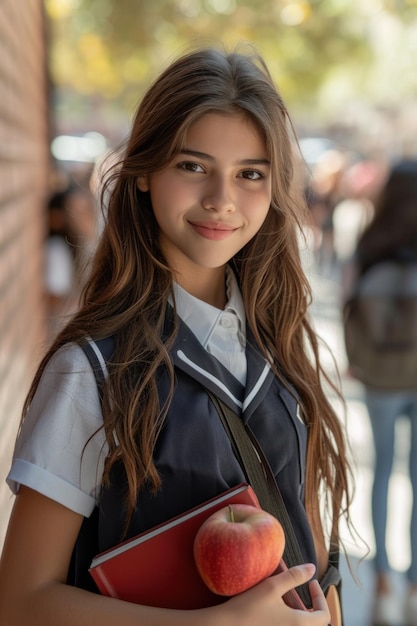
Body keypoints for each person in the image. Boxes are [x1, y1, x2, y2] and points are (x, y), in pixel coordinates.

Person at [0, 45, 352, 626]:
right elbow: (20, 601)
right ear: (142, 172)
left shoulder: (279, 338)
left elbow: (307, 536)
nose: (221, 199)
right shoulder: (90, 369)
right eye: (192, 166)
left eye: (250, 174)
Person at [344, 160, 417, 626]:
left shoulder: (370, 244)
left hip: (378, 374)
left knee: (383, 469)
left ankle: (384, 573)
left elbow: (349, 301)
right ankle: (414, 574)